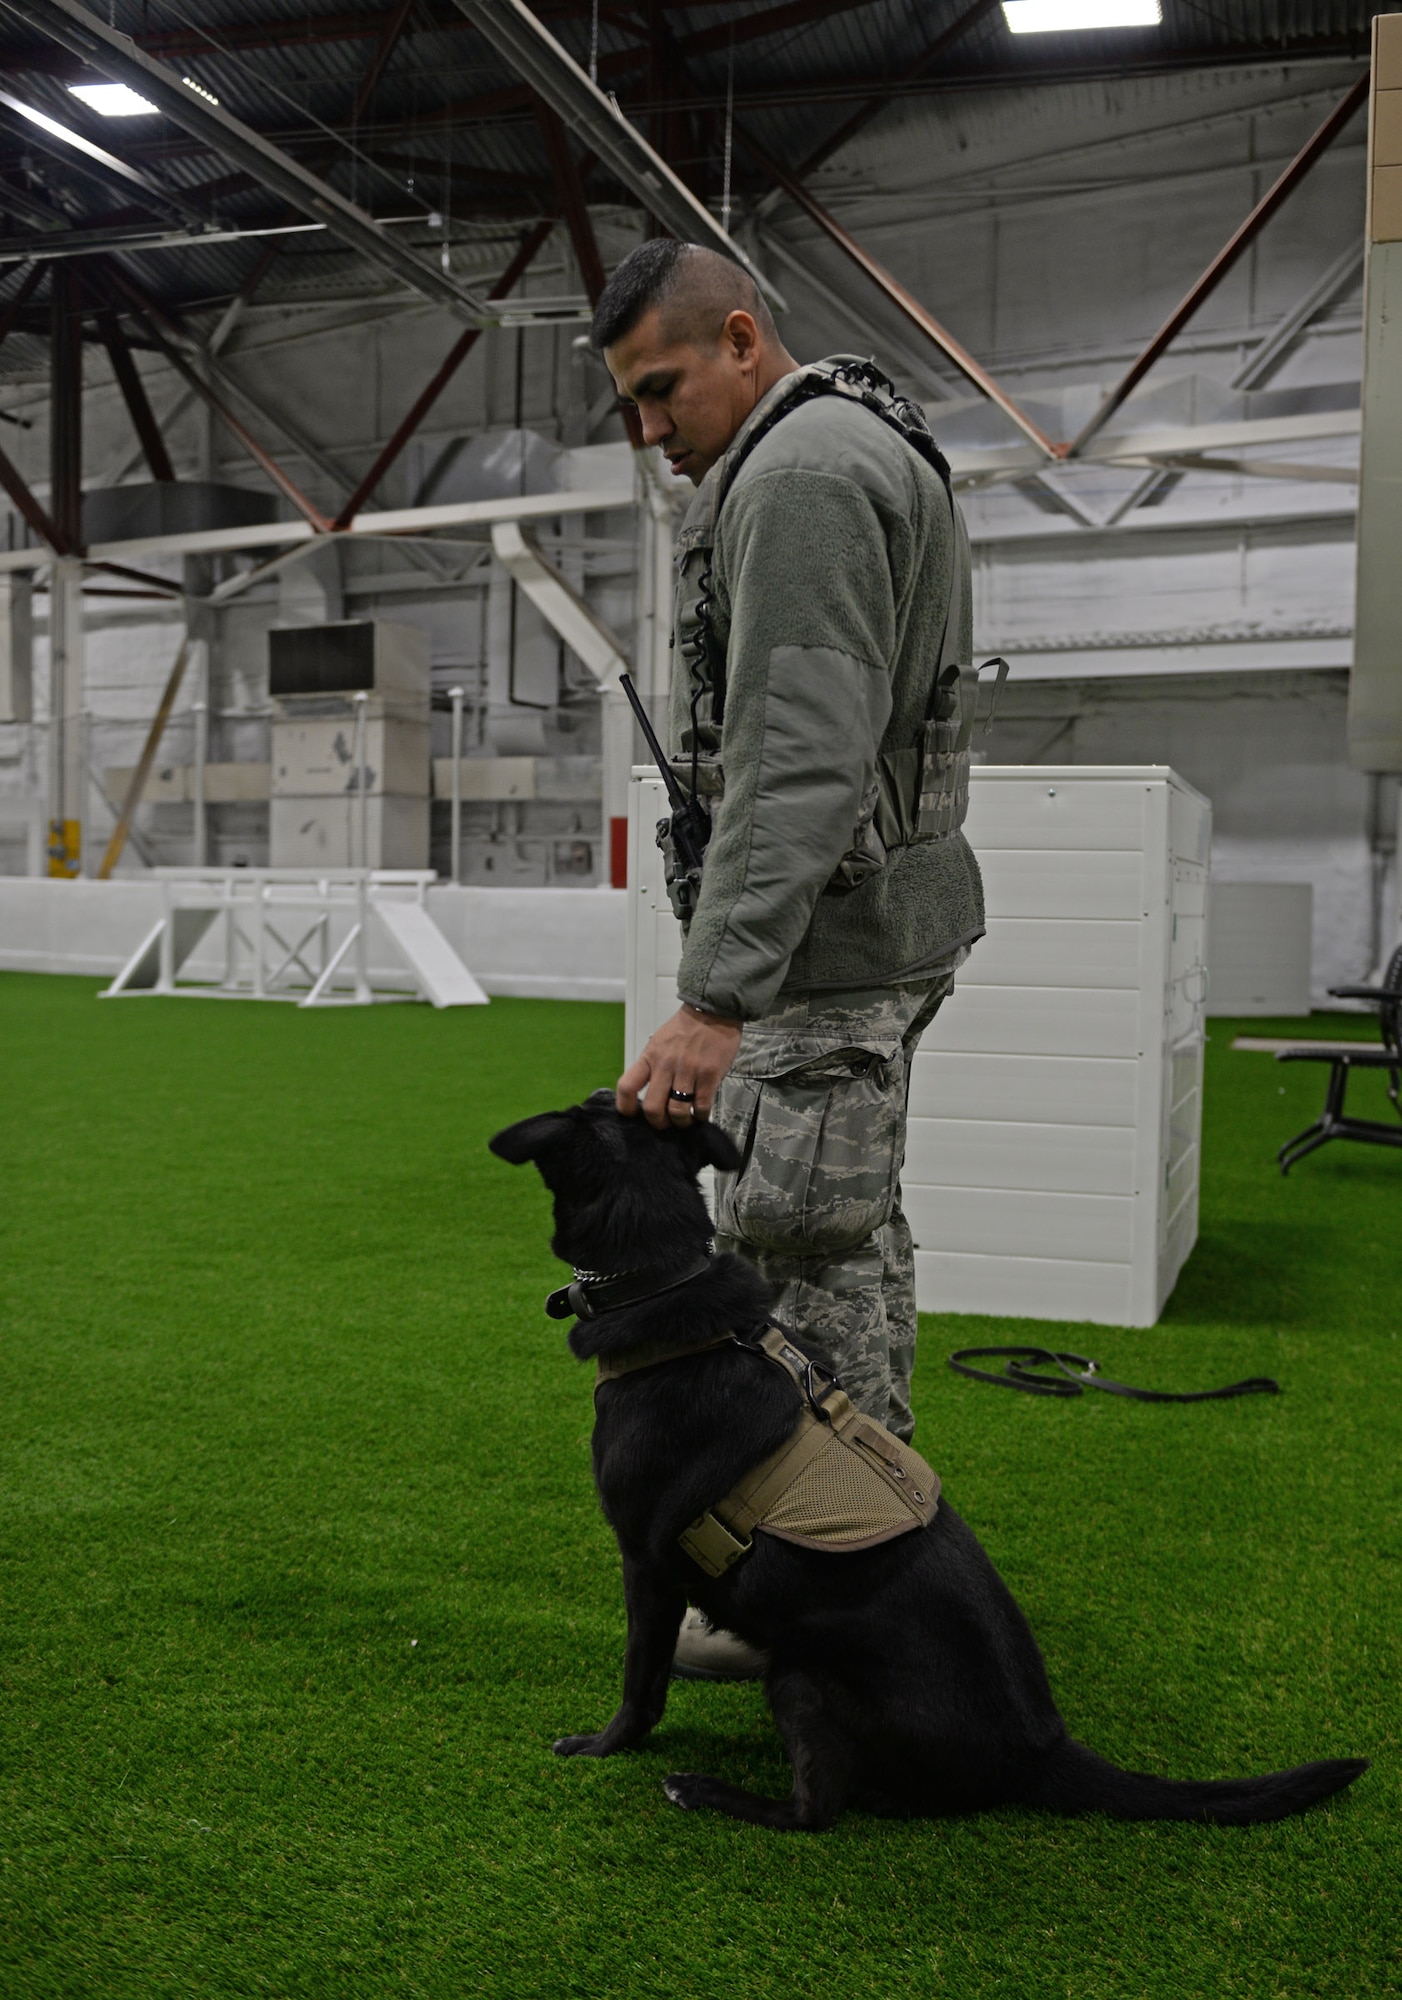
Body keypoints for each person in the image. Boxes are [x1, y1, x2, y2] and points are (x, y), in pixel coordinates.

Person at [596, 240, 986, 1678]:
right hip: (873, 928)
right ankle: (885, 1548)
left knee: (797, 1264)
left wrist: (714, 996)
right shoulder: (836, 442)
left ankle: (828, 1590)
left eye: (661, 387)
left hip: (827, 950)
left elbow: (802, 761)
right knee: (850, 1240)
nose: (650, 430)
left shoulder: (802, 478)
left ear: (740, 339)